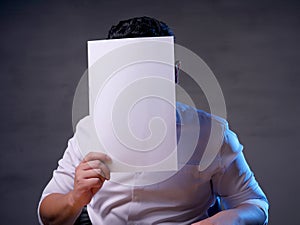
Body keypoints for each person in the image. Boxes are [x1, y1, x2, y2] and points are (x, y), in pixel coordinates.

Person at [38, 16, 269, 225]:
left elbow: (256, 206)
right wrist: (74, 198)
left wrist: (221, 222)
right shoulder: (88, 130)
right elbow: (48, 216)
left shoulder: (212, 134)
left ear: (174, 73)